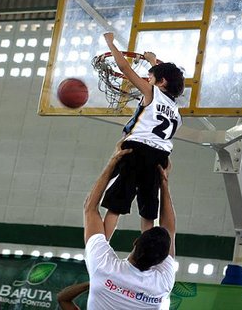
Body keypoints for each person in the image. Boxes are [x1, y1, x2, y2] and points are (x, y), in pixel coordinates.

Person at [101, 32, 185, 240]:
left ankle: (101, 245)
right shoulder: (176, 110)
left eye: (151, 77)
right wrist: (153, 62)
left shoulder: (151, 92)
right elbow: (163, 78)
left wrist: (110, 43)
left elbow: (125, 68)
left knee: (116, 205)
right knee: (149, 211)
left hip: (137, 151)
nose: (148, 79)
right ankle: (146, 249)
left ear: (161, 82)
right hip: (159, 158)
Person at [83, 139, 177, 309]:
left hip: (135, 166)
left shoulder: (104, 268)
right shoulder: (162, 284)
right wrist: (162, 183)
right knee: (143, 216)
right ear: (163, 260)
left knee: (114, 213)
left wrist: (114, 161)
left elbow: (90, 207)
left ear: (136, 241)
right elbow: (167, 228)